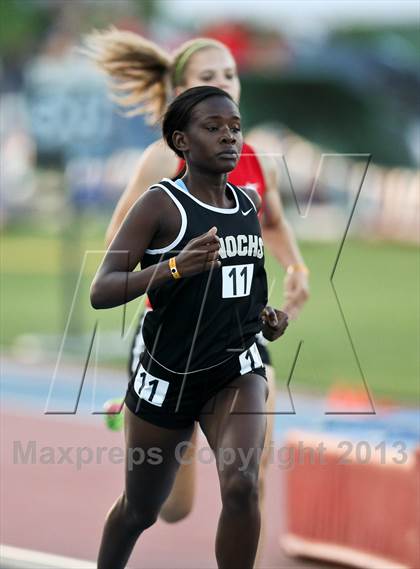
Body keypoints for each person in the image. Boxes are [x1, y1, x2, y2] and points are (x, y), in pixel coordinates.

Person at [85, 28, 309, 559]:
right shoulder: (163, 169)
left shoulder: (251, 163)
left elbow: (269, 222)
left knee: (242, 483)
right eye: (207, 79)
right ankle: (146, 410)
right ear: (181, 99)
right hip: (170, 348)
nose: (223, 83)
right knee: (161, 509)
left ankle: (221, 446)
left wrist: (292, 271)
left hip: (235, 349)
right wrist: (174, 270)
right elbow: (114, 258)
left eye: (229, 75)